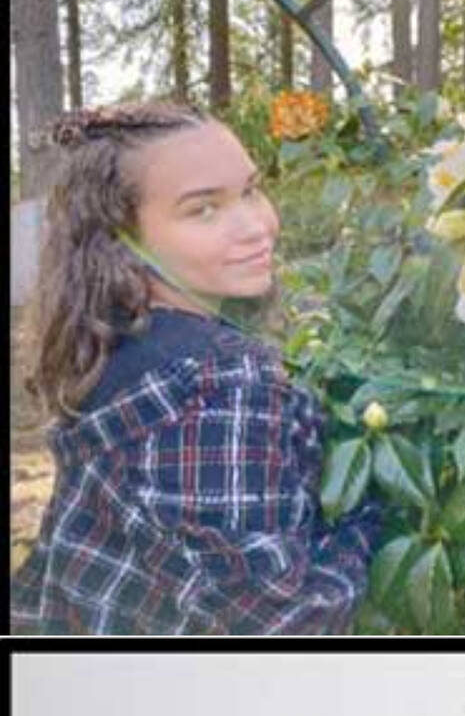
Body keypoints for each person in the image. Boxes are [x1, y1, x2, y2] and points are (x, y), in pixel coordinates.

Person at [10, 101, 376, 634]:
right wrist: (372, 520)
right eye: (203, 209)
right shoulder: (222, 381)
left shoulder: (114, 342)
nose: (258, 226)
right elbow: (279, 624)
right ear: (122, 240)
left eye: (251, 190)